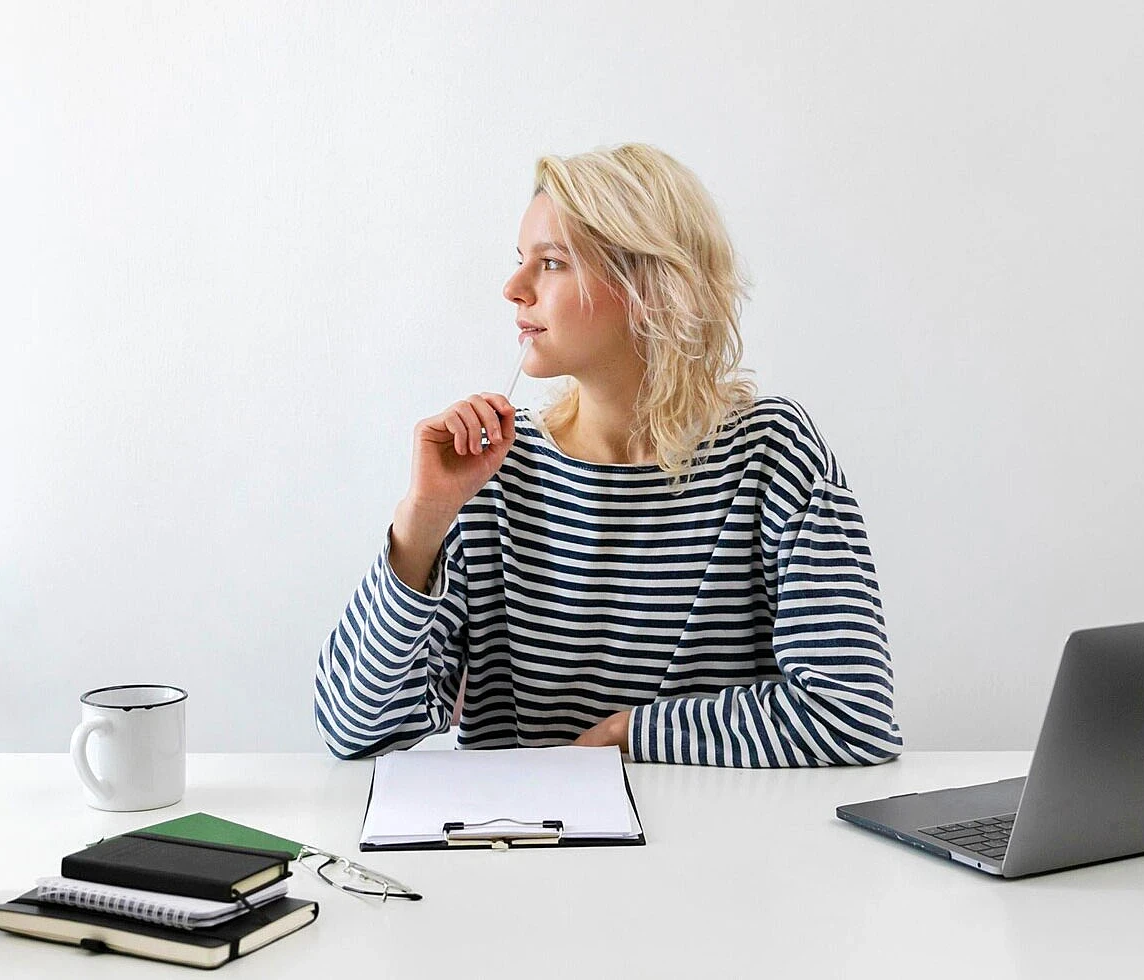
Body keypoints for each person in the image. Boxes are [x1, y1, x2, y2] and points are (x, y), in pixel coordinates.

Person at [314, 143, 900, 767]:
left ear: (649, 287)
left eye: (552, 263)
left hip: (718, 856)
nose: (513, 288)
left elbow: (853, 715)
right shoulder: (492, 470)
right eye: (521, 261)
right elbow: (354, 730)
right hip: (516, 853)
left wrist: (631, 735)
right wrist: (423, 519)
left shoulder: (773, 455)